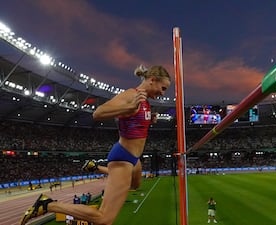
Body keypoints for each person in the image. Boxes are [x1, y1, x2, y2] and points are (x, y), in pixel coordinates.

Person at [19, 65, 171, 225]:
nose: (163, 93)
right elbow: (98, 113)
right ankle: (48, 205)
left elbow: (133, 121)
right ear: (152, 80)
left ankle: (96, 168)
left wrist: (149, 120)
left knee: (135, 184)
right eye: (163, 88)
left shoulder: (143, 100)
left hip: (132, 158)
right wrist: (129, 107)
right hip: (123, 157)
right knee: (104, 219)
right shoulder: (131, 95)